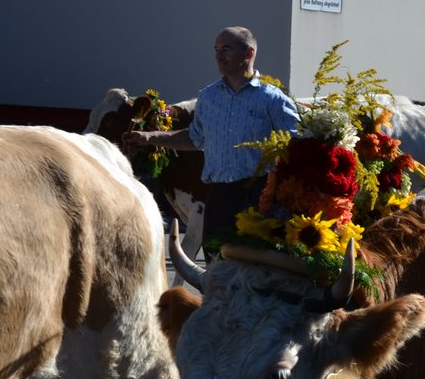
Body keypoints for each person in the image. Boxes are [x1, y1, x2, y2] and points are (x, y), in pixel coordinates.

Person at [124, 26, 300, 249]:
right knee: (215, 268)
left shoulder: (273, 100)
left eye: (226, 48)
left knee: (250, 269)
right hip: (216, 198)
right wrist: (150, 138)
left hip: (257, 200)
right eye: (216, 49)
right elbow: (195, 139)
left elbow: (297, 147)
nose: (218, 55)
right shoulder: (208, 97)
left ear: (249, 53)